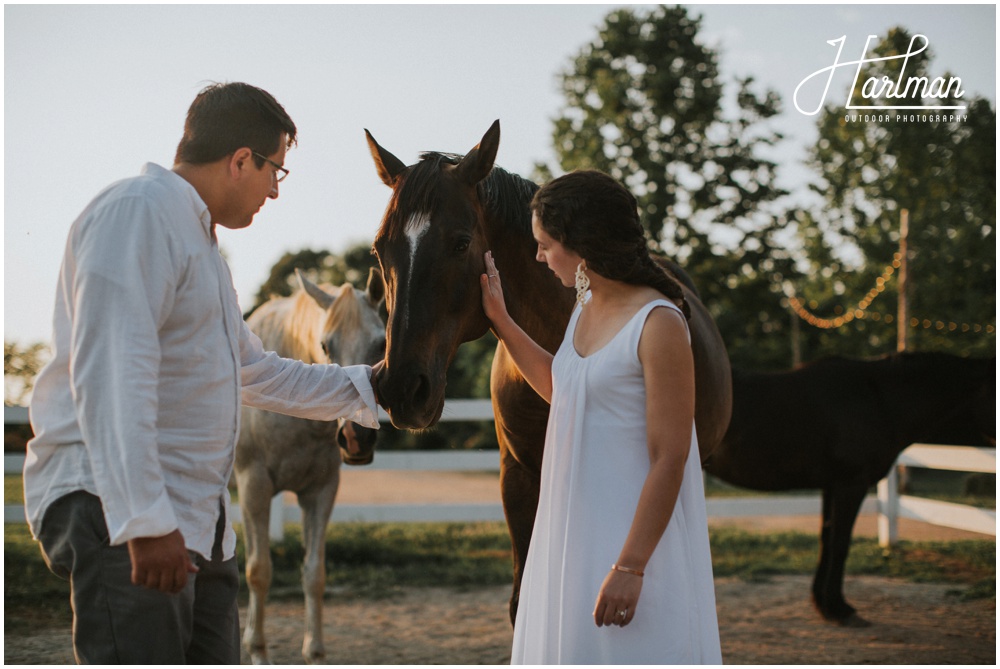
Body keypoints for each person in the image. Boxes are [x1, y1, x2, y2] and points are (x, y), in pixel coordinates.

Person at [23, 82, 381, 664]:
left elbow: (254, 371)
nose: (274, 191)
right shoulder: (137, 213)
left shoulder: (204, 250)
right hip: (126, 513)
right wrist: (143, 519)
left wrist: (367, 387)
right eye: (277, 173)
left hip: (197, 524)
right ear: (242, 160)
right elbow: (113, 369)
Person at [480, 170, 722, 664]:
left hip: (631, 543)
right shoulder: (584, 307)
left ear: (581, 244)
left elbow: (671, 457)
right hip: (571, 535)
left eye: (546, 244)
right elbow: (564, 389)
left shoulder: (659, 323)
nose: (538, 256)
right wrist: (503, 322)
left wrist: (631, 567)